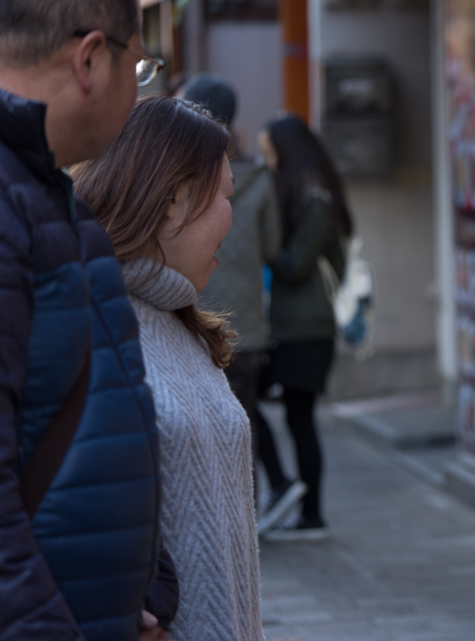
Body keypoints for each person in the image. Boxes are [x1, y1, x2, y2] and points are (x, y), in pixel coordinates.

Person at [0, 0, 175, 639]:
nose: (141, 91)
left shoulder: (49, 194)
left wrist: (146, 588)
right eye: (140, 66)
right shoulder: (15, 202)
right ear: (91, 59)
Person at [74, 96, 263, 640]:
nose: (233, 214)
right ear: (174, 200)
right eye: (225, 195)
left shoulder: (181, 327)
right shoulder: (83, 320)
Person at [180, 74, 306, 524]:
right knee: (242, 427)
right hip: (247, 323)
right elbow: (272, 249)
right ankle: (244, 522)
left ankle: (220, 523)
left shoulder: (180, 172)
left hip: (192, 315)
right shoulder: (257, 178)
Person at [256, 114, 353, 540]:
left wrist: (259, 245)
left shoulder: (315, 198)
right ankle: (295, 498)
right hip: (295, 328)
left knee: (297, 417)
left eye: (270, 153)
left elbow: (295, 265)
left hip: (309, 329)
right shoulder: (305, 192)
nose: (268, 162)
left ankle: (306, 509)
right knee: (290, 414)